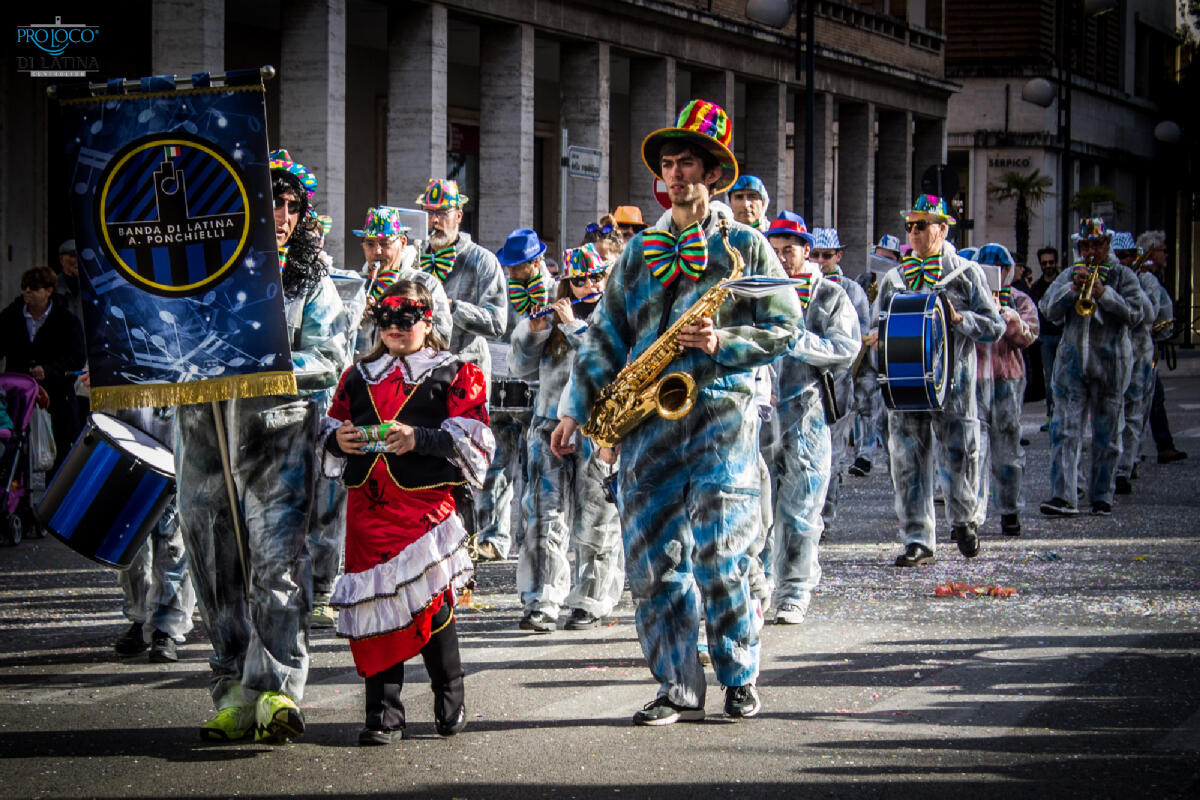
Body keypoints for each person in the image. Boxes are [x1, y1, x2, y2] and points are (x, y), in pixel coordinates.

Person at [552, 98, 803, 725]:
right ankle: (677, 685)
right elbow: (604, 337)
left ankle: (739, 673)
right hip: (645, 428)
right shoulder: (637, 253)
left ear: (713, 173)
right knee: (653, 566)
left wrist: (726, 344)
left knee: (722, 558)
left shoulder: (745, 246)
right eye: (668, 165)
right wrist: (577, 412)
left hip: (720, 423)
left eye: (687, 164)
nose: (675, 175)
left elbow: (786, 324)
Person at [176, 149, 351, 744]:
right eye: (269, 202)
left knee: (276, 569)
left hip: (278, 440)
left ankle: (275, 689)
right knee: (214, 566)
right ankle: (230, 690)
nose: (279, 214)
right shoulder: (198, 271)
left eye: (291, 205)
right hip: (203, 439)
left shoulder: (312, 278)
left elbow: (330, 357)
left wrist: (266, 363)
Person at [324, 280, 493, 745]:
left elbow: (476, 438)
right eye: (387, 319)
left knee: (431, 604)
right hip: (368, 511)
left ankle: (449, 696)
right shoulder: (356, 374)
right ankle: (383, 715)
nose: (396, 329)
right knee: (376, 609)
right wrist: (336, 438)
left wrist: (419, 438)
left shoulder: (456, 372)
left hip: (423, 510)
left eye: (407, 319)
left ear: (428, 320)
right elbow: (331, 424)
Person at [876, 195, 1004, 566]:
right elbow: (877, 323)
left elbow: (994, 325)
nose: (913, 233)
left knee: (961, 456)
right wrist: (873, 342)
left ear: (942, 229)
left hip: (955, 386)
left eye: (921, 225)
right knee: (907, 462)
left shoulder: (965, 273)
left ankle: (964, 521)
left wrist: (961, 319)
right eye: (910, 226)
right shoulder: (895, 278)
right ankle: (918, 539)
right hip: (904, 385)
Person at [510, 244, 623, 632]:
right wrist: (534, 333)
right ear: (566, 283)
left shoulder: (615, 317)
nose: (587, 285)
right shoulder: (553, 314)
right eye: (578, 280)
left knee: (596, 517)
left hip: (598, 428)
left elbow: (605, 364)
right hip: (547, 424)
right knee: (544, 514)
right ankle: (542, 598)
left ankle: (591, 599)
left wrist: (576, 326)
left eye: (595, 277)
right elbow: (520, 369)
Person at [761, 211, 859, 624]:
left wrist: (797, 341)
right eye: (776, 250)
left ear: (806, 251)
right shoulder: (756, 292)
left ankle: (795, 591)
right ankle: (760, 585)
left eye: (790, 250)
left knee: (801, 509)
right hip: (762, 416)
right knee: (759, 508)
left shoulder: (829, 295)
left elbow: (846, 348)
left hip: (807, 414)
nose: (783, 258)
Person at [1038, 218, 1147, 517]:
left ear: (1107, 244)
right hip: (1071, 364)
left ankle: (1102, 494)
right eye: (1085, 245)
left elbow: (1137, 314)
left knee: (1107, 434)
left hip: (1111, 364)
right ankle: (1064, 495)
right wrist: (1073, 290)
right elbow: (1047, 308)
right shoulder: (1070, 274)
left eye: (1096, 244)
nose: (1090, 251)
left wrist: (1105, 294)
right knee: (1065, 429)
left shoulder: (1123, 276)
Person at [474, 228, 557, 563]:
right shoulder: (504, 292)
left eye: (518, 265)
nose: (510, 271)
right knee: (496, 464)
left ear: (535, 262)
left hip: (539, 392)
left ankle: (532, 538)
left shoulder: (556, 292)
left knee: (535, 468)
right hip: (501, 387)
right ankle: (493, 537)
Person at [974, 245, 1039, 536]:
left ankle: (1010, 510)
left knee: (1008, 448)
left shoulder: (1018, 299)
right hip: (974, 378)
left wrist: (1008, 316)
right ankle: (970, 517)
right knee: (973, 450)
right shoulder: (969, 295)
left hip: (1007, 379)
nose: (995, 275)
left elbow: (1029, 335)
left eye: (1000, 269)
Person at [415, 179, 507, 384]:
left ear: (458, 216)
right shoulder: (414, 258)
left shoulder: (483, 261)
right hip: (421, 372)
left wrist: (452, 307)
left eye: (442, 213)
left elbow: (497, 324)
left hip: (466, 372)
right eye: (429, 213)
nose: (435, 221)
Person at [808, 228, 869, 535]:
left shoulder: (850, 290)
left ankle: (825, 518)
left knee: (832, 452)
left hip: (839, 380)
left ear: (838, 256)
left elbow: (859, 339)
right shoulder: (803, 284)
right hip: (806, 379)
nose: (820, 261)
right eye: (815, 254)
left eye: (826, 255)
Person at [0, 265, 86, 473]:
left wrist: (49, 370)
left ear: (49, 290)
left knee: (59, 448)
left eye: (34, 287)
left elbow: (77, 358)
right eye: (24, 287)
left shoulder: (67, 319)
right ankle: (15, 496)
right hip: (19, 393)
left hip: (57, 395)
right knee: (15, 446)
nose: (27, 291)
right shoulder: (10, 316)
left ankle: (53, 500)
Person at [355, 205, 453, 352]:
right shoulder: (356, 285)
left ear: (402, 242)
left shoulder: (425, 284)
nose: (377, 251)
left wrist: (395, 316)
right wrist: (352, 316)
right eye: (370, 244)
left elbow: (442, 337)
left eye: (384, 243)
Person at [1111, 232, 1163, 496]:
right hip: (1112, 354)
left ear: (1135, 256)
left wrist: (1134, 286)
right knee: (1112, 413)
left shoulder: (1146, 280)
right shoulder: (1108, 277)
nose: (1122, 261)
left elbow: (1151, 314)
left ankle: (1126, 466)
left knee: (1134, 415)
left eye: (1127, 256)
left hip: (1140, 354)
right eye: (1118, 256)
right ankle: (1114, 464)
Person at [1136, 229, 1187, 465]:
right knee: (1150, 395)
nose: (1166, 254)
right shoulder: (1144, 277)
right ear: (1152, 252)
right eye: (1163, 250)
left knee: (1153, 395)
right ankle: (1158, 446)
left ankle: (1158, 445)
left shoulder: (1150, 277)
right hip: (1143, 346)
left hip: (1149, 343)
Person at [1027, 246, 1062, 430]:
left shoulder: (1064, 282)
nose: (1048, 266)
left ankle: (1065, 418)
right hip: (1046, 337)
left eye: (1051, 262)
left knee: (1066, 380)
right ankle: (1051, 415)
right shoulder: (1038, 287)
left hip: (1064, 336)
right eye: (1044, 263)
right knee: (1049, 380)